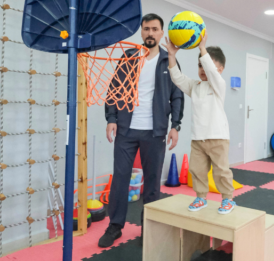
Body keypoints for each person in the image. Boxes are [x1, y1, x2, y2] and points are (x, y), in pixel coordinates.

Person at [98, 13, 185, 247]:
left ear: (161, 32)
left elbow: (177, 96)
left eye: (154, 29)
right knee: (120, 179)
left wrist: (175, 126)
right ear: (142, 32)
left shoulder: (169, 60)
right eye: (146, 29)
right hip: (126, 129)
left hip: (155, 131)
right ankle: (115, 226)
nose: (150, 33)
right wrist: (111, 118)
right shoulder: (128, 57)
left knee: (153, 181)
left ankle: (150, 227)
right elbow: (114, 89)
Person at [165, 32, 236, 214]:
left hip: (217, 137)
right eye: (199, 65)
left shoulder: (219, 85)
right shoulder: (195, 86)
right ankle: (201, 198)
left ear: (220, 69)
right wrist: (171, 55)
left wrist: (202, 48)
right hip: (198, 138)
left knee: (221, 171)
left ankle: (228, 199)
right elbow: (178, 78)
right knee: (197, 170)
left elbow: (211, 73)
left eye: (207, 65)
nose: (203, 69)